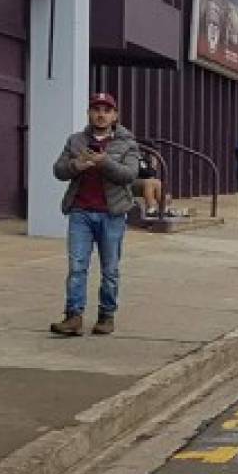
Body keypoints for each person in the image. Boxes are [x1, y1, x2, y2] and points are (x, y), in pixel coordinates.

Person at [50, 92, 140, 336]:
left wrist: (104, 163)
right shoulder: (76, 141)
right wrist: (76, 165)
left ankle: (106, 315)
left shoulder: (127, 143)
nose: (101, 114)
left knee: (110, 268)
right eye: (96, 109)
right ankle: (73, 316)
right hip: (81, 212)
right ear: (89, 113)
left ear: (115, 115)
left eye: (106, 110)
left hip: (112, 215)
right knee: (77, 266)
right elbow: (58, 170)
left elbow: (129, 175)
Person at [132, 149, 166, 217]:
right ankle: (151, 209)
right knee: (149, 182)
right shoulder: (132, 156)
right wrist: (151, 170)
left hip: (141, 181)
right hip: (129, 181)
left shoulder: (145, 159)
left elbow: (151, 173)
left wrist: (153, 167)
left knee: (157, 183)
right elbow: (142, 172)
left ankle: (163, 209)